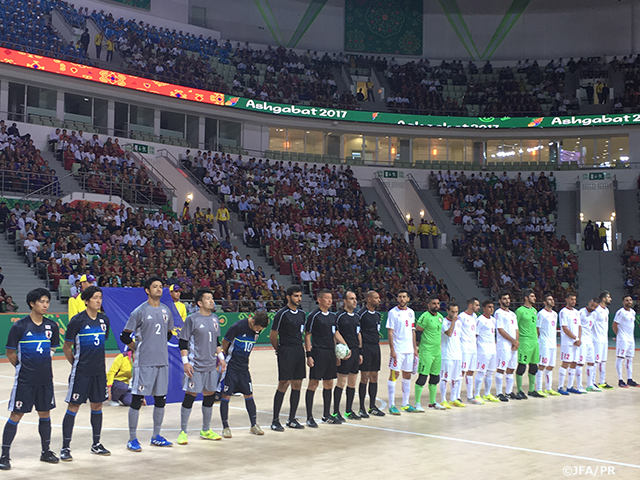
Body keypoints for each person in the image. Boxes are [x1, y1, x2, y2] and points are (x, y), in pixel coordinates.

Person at [1, 288, 60, 470]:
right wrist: (22, 367)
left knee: (45, 414)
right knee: (16, 415)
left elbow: (52, 350)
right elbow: (10, 353)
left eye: (47, 301)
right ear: (32, 304)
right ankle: (4, 456)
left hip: (45, 380)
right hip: (25, 381)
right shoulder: (20, 326)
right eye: (41, 301)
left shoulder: (52, 326)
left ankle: (45, 451)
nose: (45, 305)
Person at [120, 276, 175, 451]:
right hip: (144, 362)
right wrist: (137, 347)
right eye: (155, 287)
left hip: (162, 362)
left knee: (160, 399)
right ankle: (132, 438)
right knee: (137, 399)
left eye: (160, 287)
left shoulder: (166, 310)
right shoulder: (139, 311)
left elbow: (168, 334)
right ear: (147, 290)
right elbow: (124, 335)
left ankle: (156, 436)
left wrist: (157, 344)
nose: (159, 289)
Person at [60, 286, 110, 460]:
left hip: (99, 372)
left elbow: (102, 342)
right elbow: (67, 347)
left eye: (100, 298)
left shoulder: (104, 320)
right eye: (95, 298)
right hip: (81, 372)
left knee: (97, 406)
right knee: (73, 406)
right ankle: (65, 447)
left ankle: (96, 444)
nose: (98, 301)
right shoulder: (77, 321)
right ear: (86, 301)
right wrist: (75, 364)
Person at [177, 288, 226, 445]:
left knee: (210, 396)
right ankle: (183, 431)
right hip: (195, 365)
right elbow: (183, 341)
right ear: (199, 303)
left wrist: (222, 359)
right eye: (208, 298)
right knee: (190, 396)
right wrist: (185, 362)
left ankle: (205, 430)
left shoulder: (215, 319)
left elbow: (217, 342)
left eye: (212, 298)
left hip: (211, 365)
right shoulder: (192, 319)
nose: (211, 301)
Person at [219, 312, 269, 436]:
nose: (258, 331)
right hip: (231, 366)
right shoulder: (238, 327)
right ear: (252, 322)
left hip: (244, 368)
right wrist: (223, 359)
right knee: (226, 396)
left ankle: (253, 425)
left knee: (249, 394)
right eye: (257, 328)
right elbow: (224, 342)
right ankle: (225, 427)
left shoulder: (257, 331)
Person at [304, 289, 345, 426]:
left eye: (331, 298)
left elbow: (335, 334)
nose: (329, 300)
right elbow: (308, 335)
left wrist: (344, 347)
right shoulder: (314, 316)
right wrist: (309, 355)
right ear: (319, 299)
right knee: (314, 383)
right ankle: (309, 417)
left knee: (329, 383)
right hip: (318, 352)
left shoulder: (333, 316)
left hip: (330, 353)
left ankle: (326, 414)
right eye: (326, 298)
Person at [269, 285, 306, 431]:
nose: (299, 299)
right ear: (288, 297)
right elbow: (273, 335)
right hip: (286, 350)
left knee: (297, 384)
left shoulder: (302, 314)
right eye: (296, 296)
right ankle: (275, 420)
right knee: (284, 383)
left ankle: (292, 418)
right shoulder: (282, 314)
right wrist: (279, 349)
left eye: (300, 296)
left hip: (299, 350)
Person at [386, 290, 418, 415]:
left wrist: (415, 348)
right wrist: (392, 350)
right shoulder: (393, 312)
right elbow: (390, 332)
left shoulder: (411, 313)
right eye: (399, 297)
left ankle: (405, 404)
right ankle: (392, 404)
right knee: (394, 375)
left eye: (404, 297)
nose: (402, 299)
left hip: (409, 350)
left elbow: (412, 331)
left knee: (407, 376)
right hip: (398, 350)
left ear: (408, 299)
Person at [334, 291, 362, 421]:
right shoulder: (339, 316)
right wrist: (338, 353)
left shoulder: (356, 316)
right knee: (341, 382)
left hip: (355, 352)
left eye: (355, 299)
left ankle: (349, 411)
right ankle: (335, 412)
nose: (354, 301)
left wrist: (360, 351)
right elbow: (335, 333)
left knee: (352, 382)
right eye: (351, 299)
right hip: (345, 353)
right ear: (344, 301)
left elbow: (358, 334)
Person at [357, 290, 385, 416]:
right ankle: (362, 407)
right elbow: (358, 333)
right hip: (366, 347)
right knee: (364, 377)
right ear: (368, 299)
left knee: (374, 376)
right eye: (376, 298)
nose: (379, 300)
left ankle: (372, 406)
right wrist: (360, 350)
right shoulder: (361, 314)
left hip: (375, 347)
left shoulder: (378, 315)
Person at [414, 296, 445, 411]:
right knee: (422, 377)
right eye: (433, 303)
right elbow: (418, 331)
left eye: (437, 303)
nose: (436, 305)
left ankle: (432, 402)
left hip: (437, 351)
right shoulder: (425, 317)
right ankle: (417, 403)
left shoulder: (440, 317)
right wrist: (417, 347)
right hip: (426, 351)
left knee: (435, 377)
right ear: (428, 305)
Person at [515, 289, 540, 399]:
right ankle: (519, 390)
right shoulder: (519, 311)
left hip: (534, 341)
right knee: (522, 366)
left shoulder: (535, 310)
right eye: (532, 296)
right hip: (524, 341)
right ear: (526, 298)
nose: (534, 298)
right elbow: (515, 327)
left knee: (534, 366)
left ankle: (531, 390)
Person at [495, 292, 519, 402]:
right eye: (504, 298)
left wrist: (516, 342)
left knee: (511, 369)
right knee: (501, 368)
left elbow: (516, 329)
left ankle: (509, 392)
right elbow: (500, 330)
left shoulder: (513, 314)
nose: (507, 301)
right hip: (503, 345)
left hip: (513, 345)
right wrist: (512, 340)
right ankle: (499, 392)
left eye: (508, 298)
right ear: (500, 301)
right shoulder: (498, 313)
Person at [439, 303, 464, 408]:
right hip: (447, 355)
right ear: (447, 311)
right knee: (445, 378)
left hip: (457, 354)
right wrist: (453, 321)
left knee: (456, 378)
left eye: (456, 312)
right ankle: (443, 399)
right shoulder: (443, 322)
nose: (455, 314)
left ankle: (453, 398)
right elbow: (449, 333)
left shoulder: (459, 323)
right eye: (453, 311)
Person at [557, 293, 582, 395]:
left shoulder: (577, 312)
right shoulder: (563, 312)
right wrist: (575, 338)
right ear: (567, 300)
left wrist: (579, 338)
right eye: (571, 299)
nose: (573, 301)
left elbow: (580, 326)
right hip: (568, 342)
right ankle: (560, 386)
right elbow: (565, 328)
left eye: (575, 299)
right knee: (565, 363)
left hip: (576, 342)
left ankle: (570, 386)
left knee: (574, 363)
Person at [475, 300, 499, 403]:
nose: (491, 309)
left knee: (490, 372)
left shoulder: (493, 320)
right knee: (481, 372)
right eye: (489, 307)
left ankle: (487, 393)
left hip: (492, 349)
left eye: (492, 307)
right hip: (483, 350)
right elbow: (475, 335)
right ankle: (476, 394)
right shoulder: (480, 320)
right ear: (484, 308)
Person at [459, 297, 482, 404]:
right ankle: (457, 396)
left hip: (473, 347)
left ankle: (469, 396)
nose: (479, 307)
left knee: (471, 372)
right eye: (477, 305)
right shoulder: (462, 316)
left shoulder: (475, 316)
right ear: (470, 305)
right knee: (462, 372)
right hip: (464, 347)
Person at [535, 294, 558, 397]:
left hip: (553, 343)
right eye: (549, 299)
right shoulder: (541, 314)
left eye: (552, 299)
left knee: (551, 366)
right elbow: (537, 329)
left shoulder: (555, 314)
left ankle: (548, 388)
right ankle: (539, 388)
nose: (552, 301)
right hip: (544, 343)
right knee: (542, 365)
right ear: (544, 302)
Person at [612, 295, 638, 388]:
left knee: (629, 359)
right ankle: (620, 380)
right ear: (623, 302)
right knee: (620, 358)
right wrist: (618, 335)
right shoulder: (620, 312)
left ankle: (630, 379)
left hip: (631, 339)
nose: (629, 302)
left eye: (630, 300)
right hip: (623, 339)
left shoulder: (633, 312)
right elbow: (614, 325)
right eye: (627, 300)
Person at [593, 290, 614, 389]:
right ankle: (592, 382)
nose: (611, 299)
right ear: (604, 299)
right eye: (609, 297)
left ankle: (602, 381)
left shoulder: (606, 310)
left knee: (603, 361)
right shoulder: (596, 310)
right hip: (596, 339)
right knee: (595, 361)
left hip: (604, 340)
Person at [579, 298, 600, 392]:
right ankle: (579, 386)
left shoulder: (595, 314)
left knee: (591, 362)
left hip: (590, 340)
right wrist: (577, 338)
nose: (593, 307)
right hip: (582, 339)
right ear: (589, 302)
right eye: (592, 305)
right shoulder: (581, 312)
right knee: (580, 363)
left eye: (595, 306)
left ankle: (590, 384)